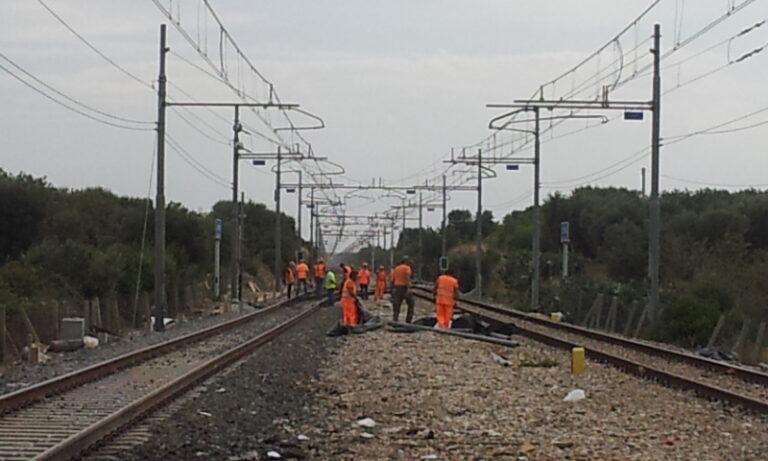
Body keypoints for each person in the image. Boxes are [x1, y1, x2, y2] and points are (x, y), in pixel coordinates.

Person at [391, 256, 415, 323]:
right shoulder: (407, 268)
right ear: (406, 261)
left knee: (397, 304)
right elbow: (407, 277)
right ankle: (408, 320)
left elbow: (393, 279)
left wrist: (393, 289)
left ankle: (395, 319)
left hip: (397, 287)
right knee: (411, 304)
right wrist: (408, 288)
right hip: (404, 287)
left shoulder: (396, 268)